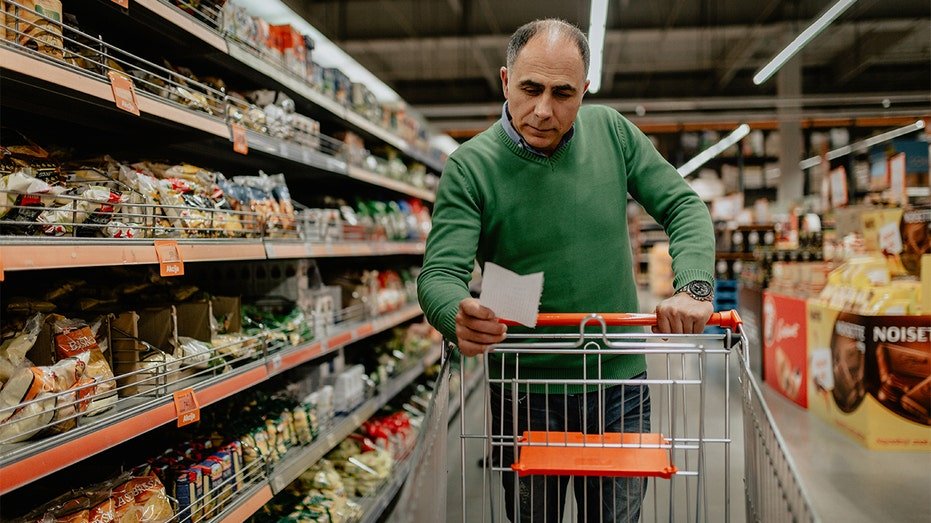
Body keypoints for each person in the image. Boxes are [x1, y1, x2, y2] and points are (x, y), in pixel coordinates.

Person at [417, 18, 716, 522]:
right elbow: (439, 274)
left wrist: (694, 287)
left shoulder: (612, 133)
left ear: (586, 91)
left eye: (563, 94)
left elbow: (684, 208)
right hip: (527, 393)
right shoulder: (471, 166)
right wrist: (455, 313)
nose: (543, 110)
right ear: (505, 80)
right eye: (530, 88)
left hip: (620, 384)